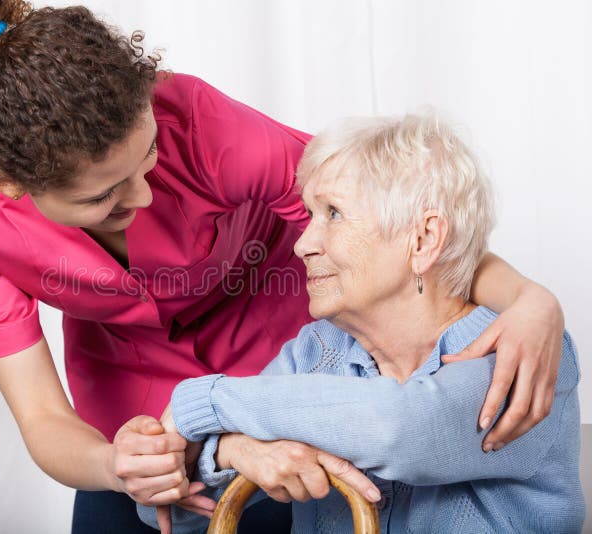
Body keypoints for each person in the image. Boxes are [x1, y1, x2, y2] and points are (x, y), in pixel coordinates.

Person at [0, 2, 567, 532]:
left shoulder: (202, 127)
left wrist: (531, 298)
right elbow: (44, 419)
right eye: (103, 198)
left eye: (148, 157)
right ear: (13, 186)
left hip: (275, 369)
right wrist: (136, 460)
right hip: (142, 416)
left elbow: (385, 220)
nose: (142, 198)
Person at [147, 113, 584, 533]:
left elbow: (405, 430)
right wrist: (229, 451)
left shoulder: (527, 349)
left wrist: (201, 400)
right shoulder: (314, 352)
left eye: (333, 213)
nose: (302, 244)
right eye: (310, 215)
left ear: (424, 239)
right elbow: (170, 517)